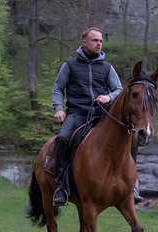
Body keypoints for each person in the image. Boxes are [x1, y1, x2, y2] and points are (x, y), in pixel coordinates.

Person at [51, 27, 144, 206]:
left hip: (103, 114)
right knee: (63, 138)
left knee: (130, 139)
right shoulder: (69, 65)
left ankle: (133, 185)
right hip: (77, 113)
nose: (99, 43)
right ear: (84, 42)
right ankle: (61, 187)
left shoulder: (107, 68)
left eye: (100, 41)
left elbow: (119, 90)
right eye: (94, 40)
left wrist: (108, 97)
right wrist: (58, 108)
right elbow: (58, 88)